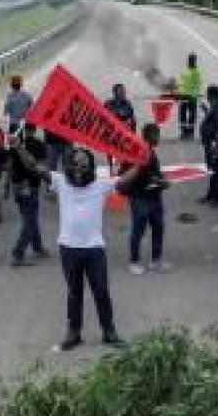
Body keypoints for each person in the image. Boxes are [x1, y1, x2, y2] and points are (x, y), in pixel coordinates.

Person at [12, 144, 148, 350]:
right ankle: (74, 333)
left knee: (101, 291)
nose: (79, 169)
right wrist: (19, 148)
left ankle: (109, 332)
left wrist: (140, 164)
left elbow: (123, 182)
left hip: (94, 249)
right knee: (74, 292)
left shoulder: (101, 185)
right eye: (75, 165)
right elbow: (33, 167)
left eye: (84, 165)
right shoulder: (59, 182)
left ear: (91, 167)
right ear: (68, 166)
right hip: (68, 248)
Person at [124, 123, 170, 275]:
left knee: (158, 228)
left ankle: (156, 261)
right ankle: (134, 261)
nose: (159, 138)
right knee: (138, 230)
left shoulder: (151, 151)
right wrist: (158, 181)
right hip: (140, 198)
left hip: (154, 196)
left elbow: (153, 171)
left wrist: (161, 179)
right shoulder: (137, 151)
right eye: (157, 135)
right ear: (149, 136)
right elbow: (127, 174)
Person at [8, 122, 49, 266]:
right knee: (30, 222)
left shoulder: (15, 144)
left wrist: (8, 187)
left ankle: (37, 247)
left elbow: (10, 166)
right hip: (30, 187)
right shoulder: (39, 145)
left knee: (30, 219)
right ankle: (18, 253)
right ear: (35, 129)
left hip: (17, 186)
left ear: (25, 130)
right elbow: (40, 166)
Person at [104, 83, 137, 172]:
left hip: (124, 132)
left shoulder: (127, 103)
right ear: (115, 93)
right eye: (121, 91)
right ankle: (111, 167)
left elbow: (132, 118)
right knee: (110, 149)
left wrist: (134, 133)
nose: (123, 93)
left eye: (124, 91)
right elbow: (105, 117)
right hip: (112, 132)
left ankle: (124, 167)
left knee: (126, 151)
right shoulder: (108, 103)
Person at [178, 53, 203, 140]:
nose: (190, 62)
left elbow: (198, 84)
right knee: (182, 114)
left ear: (195, 61)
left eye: (192, 60)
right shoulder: (185, 70)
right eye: (189, 60)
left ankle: (190, 131)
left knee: (192, 114)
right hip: (183, 95)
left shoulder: (197, 72)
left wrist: (196, 94)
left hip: (192, 96)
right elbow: (180, 81)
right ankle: (184, 131)